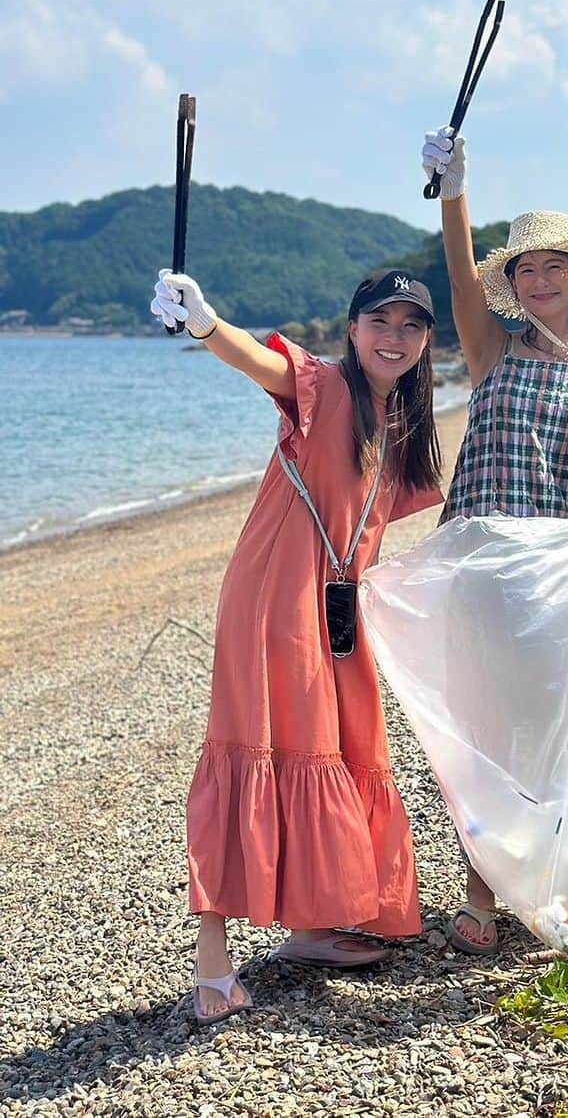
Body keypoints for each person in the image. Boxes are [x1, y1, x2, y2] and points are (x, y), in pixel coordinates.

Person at [149, 266, 443, 1023]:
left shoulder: (402, 418)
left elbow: (380, 523)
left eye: (412, 326)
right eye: (381, 321)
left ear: (426, 342)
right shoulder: (327, 388)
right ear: (352, 329)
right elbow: (261, 361)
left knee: (342, 746)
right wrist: (207, 321)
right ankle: (211, 962)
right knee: (252, 748)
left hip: (340, 605)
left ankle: (311, 925)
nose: (395, 337)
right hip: (275, 598)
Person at [421, 126, 568, 951]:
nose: (539, 279)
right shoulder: (491, 349)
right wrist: (454, 188)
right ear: (511, 284)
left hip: (557, 572)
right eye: (525, 268)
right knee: (490, 727)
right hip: (482, 570)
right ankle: (482, 886)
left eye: (554, 265)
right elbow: (454, 267)